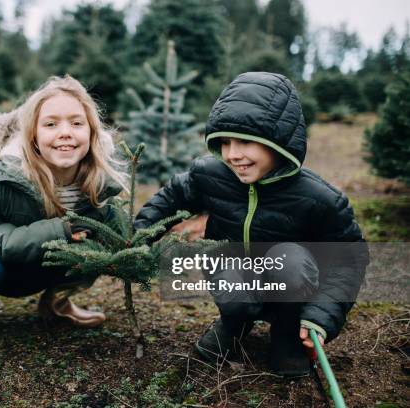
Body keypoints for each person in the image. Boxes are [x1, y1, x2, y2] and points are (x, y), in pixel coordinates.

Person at [134, 72, 369, 377]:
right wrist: (141, 235)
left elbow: (347, 259)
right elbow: (171, 198)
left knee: (291, 260)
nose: (233, 154)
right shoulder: (209, 174)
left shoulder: (320, 198)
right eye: (225, 142)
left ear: (280, 142)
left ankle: (286, 336)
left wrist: (321, 315)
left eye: (246, 141)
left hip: (292, 285)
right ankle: (235, 324)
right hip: (232, 273)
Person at [0, 75, 127, 346]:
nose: (65, 132)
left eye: (77, 123)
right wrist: (58, 230)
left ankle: (56, 302)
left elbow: (115, 232)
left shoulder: (97, 182)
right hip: (2, 266)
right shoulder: (5, 176)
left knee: (97, 247)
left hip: (50, 267)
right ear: (33, 135)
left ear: (91, 132)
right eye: (51, 124)